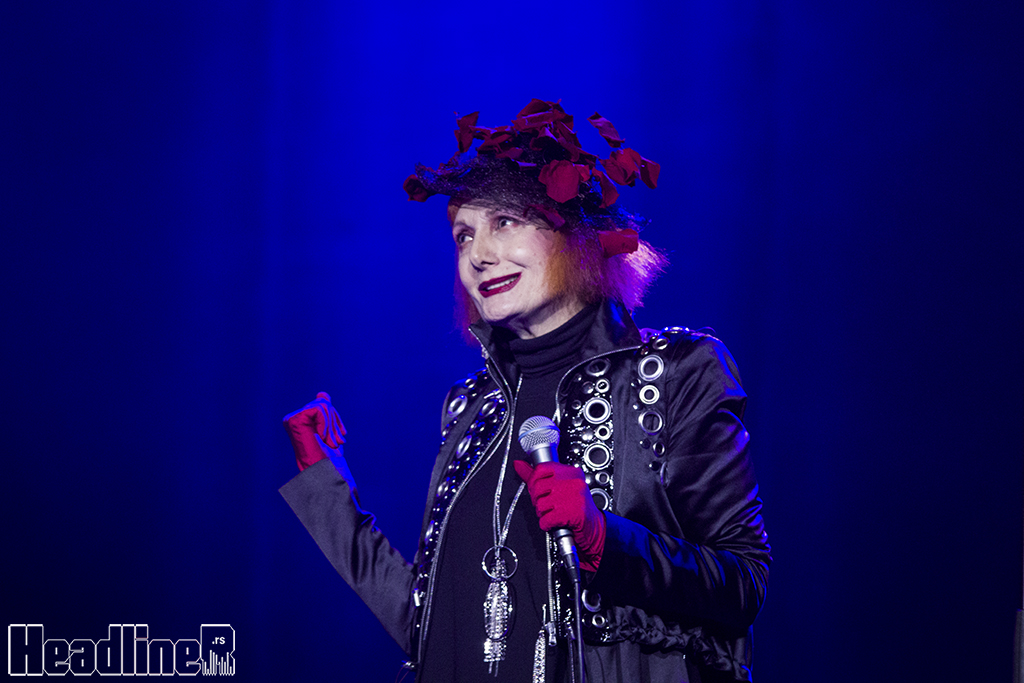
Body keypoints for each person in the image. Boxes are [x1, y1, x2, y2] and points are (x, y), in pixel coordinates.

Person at [280, 99, 770, 683]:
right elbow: (433, 626)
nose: (478, 255)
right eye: (463, 236)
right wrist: (325, 485)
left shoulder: (674, 374)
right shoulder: (472, 408)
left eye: (505, 222)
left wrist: (602, 538)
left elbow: (744, 583)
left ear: (574, 234)